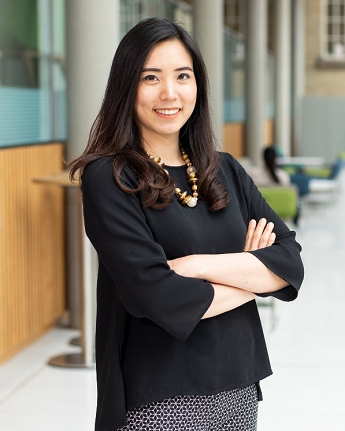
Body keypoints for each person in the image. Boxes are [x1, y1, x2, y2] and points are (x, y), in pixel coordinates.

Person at [70, 18, 304, 431]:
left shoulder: (224, 169)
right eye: (150, 77)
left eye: (183, 76)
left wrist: (194, 267)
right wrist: (250, 276)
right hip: (161, 399)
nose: (170, 93)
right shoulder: (110, 177)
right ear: (127, 86)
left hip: (239, 385)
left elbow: (289, 263)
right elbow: (155, 297)